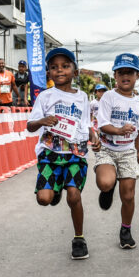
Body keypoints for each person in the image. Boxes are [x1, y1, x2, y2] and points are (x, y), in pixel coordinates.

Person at [26, 47, 99, 260]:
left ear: (74, 72)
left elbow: (85, 124)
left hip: (75, 152)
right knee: (44, 199)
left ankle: (79, 238)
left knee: (74, 196)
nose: (60, 70)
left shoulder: (83, 97)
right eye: (54, 67)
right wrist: (42, 121)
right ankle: (54, 189)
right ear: (48, 72)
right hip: (50, 154)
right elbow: (30, 125)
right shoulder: (45, 97)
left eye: (65, 66)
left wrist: (93, 137)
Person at [94, 53, 139, 250]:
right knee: (106, 183)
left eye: (129, 72)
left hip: (128, 151)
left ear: (137, 75)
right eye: (121, 72)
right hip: (107, 148)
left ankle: (126, 229)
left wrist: (138, 151)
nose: (125, 76)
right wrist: (118, 130)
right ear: (115, 75)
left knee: (128, 196)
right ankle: (107, 189)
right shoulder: (108, 96)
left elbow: (137, 130)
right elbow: (103, 125)